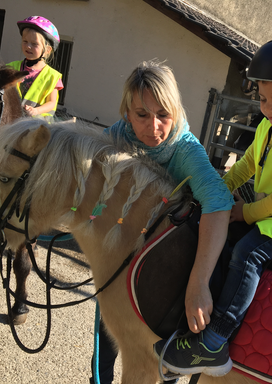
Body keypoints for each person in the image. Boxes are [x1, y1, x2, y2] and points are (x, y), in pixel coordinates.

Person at [154, 36, 272, 377]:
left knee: (247, 252)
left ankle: (214, 341)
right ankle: (190, 323)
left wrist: (244, 212)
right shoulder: (270, 126)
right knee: (212, 235)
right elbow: (246, 166)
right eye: (262, 99)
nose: (269, 108)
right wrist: (214, 192)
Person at [90, 60, 234, 384]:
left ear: (175, 111)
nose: (154, 127)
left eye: (163, 115)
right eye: (142, 115)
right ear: (126, 112)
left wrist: (198, 285)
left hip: (166, 255)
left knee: (156, 349)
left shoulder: (184, 150)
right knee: (105, 334)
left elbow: (219, 202)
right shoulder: (118, 135)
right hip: (125, 252)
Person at [8, 16, 63, 120]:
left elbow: (51, 103)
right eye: (25, 41)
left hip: (38, 125)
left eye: (34, 44)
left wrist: (36, 111)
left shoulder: (52, 76)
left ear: (47, 50)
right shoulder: (11, 67)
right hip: (12, 121)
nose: (28, 46)